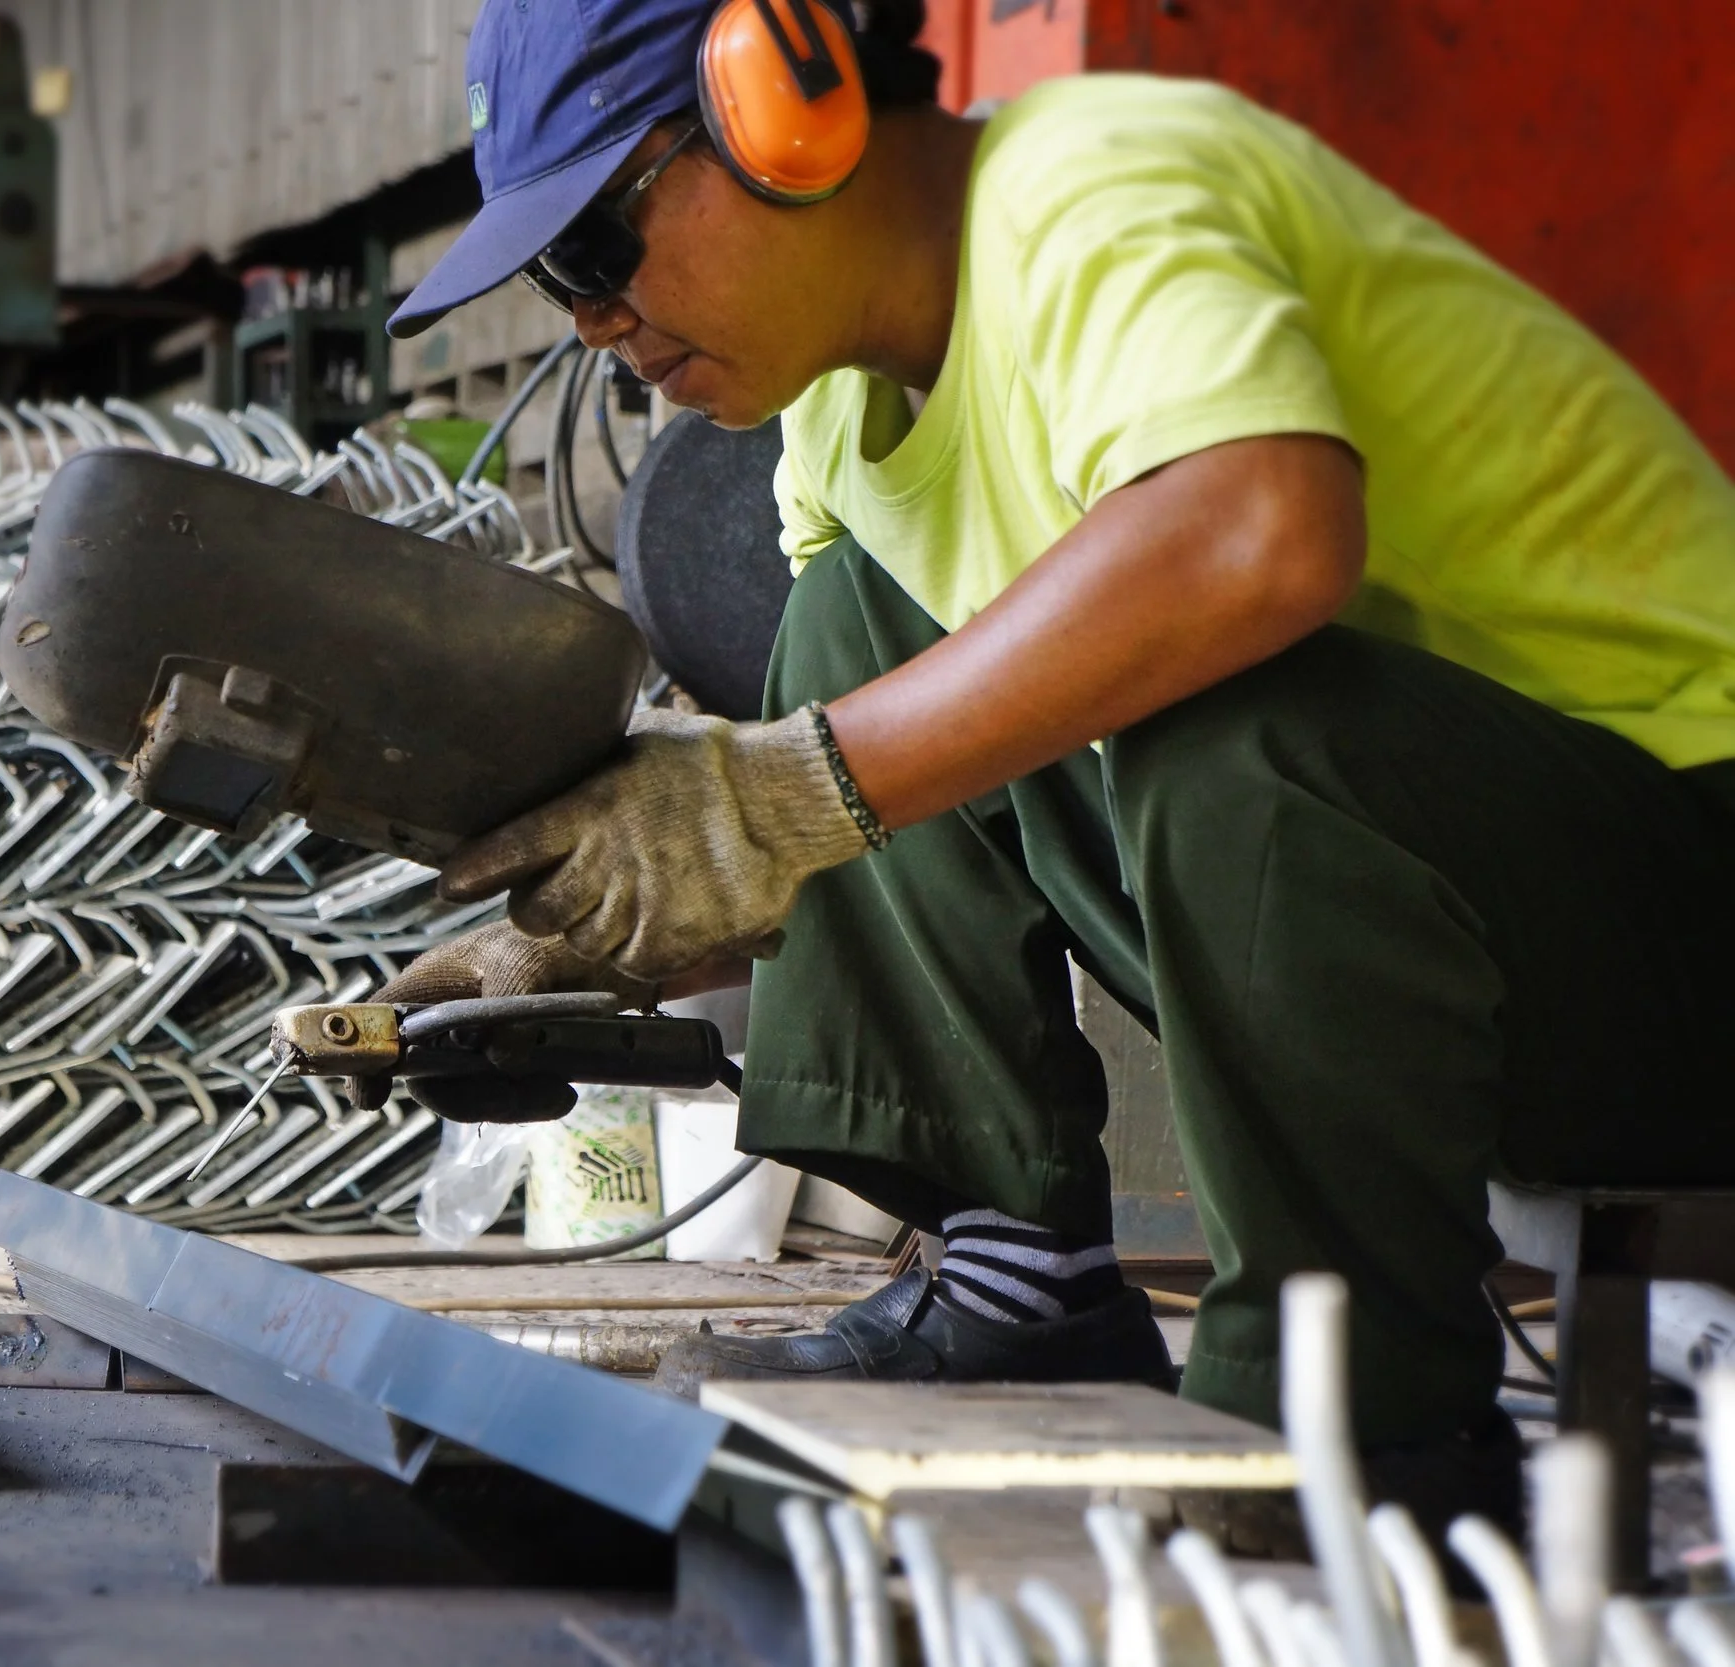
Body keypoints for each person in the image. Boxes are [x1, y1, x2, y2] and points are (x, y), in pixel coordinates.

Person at [380, 0, 1735, 1534]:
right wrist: (617, 920)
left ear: (783, 102)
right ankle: (1014, 1267)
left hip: (1688, 896)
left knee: (1237, 721)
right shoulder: (838, 409)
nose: (593, 322)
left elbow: (1260, 533)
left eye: (594, 249)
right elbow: (866, 764)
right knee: (850, 623)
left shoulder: (1096, 186)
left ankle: (1355, 1416)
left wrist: (781, 794)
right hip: (1488, 932)